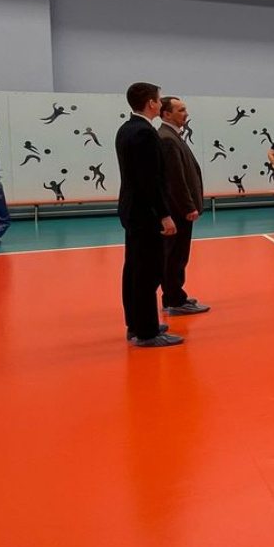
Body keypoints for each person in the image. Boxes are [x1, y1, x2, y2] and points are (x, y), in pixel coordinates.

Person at [115, 82, 180, 348]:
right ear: (151, 103)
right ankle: (147, 332)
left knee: (133, 269)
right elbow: (149, 180)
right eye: (159, 99)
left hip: (132, 209)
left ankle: (136, 323)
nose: (161, 102)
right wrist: (164, 214)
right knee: (147, 272)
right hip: (145, 212)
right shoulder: (144, 133)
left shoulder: (126, 128)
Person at [157, 95, 211, 318]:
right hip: (177, 209)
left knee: (176, 255)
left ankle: (174, 295)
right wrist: (188, 206)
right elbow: (175, 179)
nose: (186, 113)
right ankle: (175, 300)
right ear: (166, 114)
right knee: (176, 255)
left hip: (177, 208)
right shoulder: (167, 139)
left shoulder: (172, 136)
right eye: (180, 110)